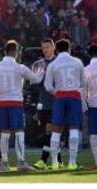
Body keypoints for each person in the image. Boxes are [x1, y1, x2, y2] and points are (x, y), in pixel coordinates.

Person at [0, 40, 43, 171]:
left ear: (4, 51)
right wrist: (41, 70)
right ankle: (20, 162)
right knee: (19, 132)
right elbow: (36, 79)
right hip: (15, 103)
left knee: (4, 133)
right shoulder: (20, 67)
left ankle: (4, 163)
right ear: (16, 52)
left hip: (2, 103)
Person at [44, 39, 85, 170]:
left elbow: (47, 85)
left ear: (56, 49)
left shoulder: (52, 64)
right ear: (69, 48)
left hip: (60, 97)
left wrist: (56, 92)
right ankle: (72, 163)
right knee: (74, 128)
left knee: (56, 130)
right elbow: (82, 83)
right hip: (74, 96)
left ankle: (55, 163)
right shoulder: (77, 62)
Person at [32, 39, 63, 170]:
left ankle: (43, 160)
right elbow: (33, 83)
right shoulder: (38, 64)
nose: (45, 50)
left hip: (56, 102)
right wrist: (39, 76)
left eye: (47, 47)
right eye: (43, 47)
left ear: (53, 47)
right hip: (42, 103)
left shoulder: (59, 63)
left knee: (50, 130)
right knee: (50, 132)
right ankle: (60, 162)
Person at [84, 45, 97, 169]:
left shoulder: (86, 69)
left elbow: (83, 89)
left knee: (94, 134)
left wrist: (84, 105)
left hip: (93, 105)